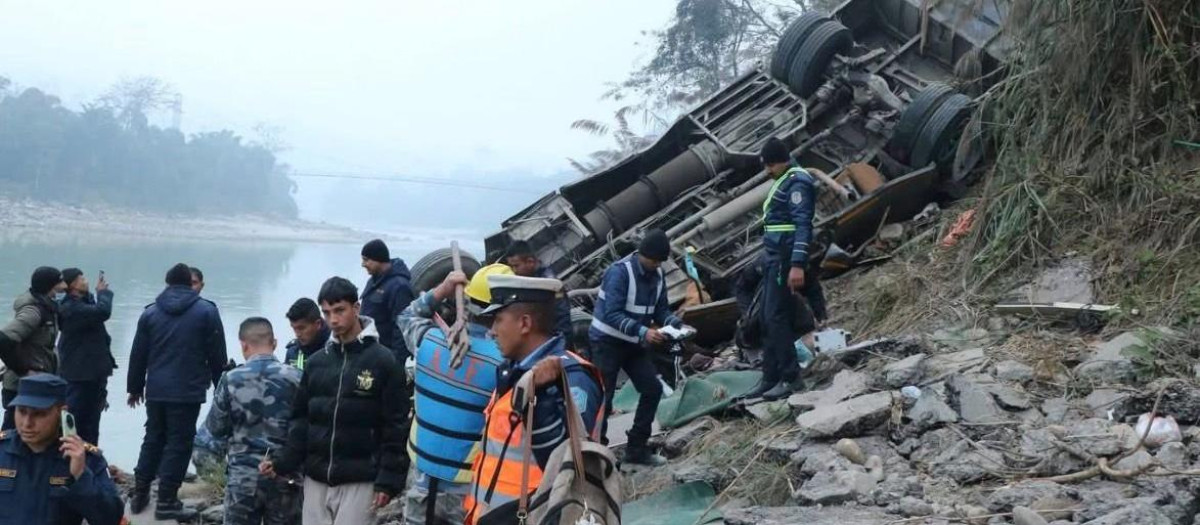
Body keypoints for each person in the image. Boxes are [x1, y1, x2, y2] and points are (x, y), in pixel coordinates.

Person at [261, 276, 409, 525]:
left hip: (360, 480)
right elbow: (301, 420)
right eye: (327, 312)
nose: (333, 320)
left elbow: (395, 425)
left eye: (340, 310)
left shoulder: (384, 362)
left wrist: (388, 480)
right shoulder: (317, 363)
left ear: (356, 308)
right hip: (315, 478)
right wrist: (282, 461)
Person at [463, 274, 603, 524]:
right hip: (495, 515)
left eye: (498, 320)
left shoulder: (571, 378)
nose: (492, 332)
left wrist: (544, 401)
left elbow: (569, 464)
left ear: (525, 323)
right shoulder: (514, 371)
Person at [397, 264, 511, 525]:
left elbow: (406, 316)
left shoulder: (429, 341)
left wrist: (442, 289)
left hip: (421, 481)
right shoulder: (505, 365)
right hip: (466, 490)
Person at [127, 263, 228, 520]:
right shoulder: (206, 311)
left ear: (168, 283)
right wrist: (222, 388)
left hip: (156, 390)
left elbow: (138, 354)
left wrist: (134, 388)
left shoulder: (150, 313)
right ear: (189, 283)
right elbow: (217, 355)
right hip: (187, 390)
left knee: (153, 438)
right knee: (179, 444)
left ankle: (139, 494)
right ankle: (167, 501)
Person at [588, 229, 681, 466]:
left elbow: (660, 310)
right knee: (604, 400)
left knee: (652, 389)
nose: (656, 265)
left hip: (633, 344)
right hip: (606, 343)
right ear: (642, 254)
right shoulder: (619, 273)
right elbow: (612, 314)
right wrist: (643, 332)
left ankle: (636, 449)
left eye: (660, 262)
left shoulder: (657, 275)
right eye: (654, 261)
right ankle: (599, 458)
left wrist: (674, 323)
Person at [201, 317, 302, 525]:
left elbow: (214, 430)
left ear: (243, 345)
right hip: (285, 477)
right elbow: (305, 429)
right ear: (274, 343)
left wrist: (209, 468)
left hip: (243, 479)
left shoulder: (230, 379)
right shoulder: (297, 377)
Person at [745, 137, 817, 400]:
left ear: (779, 161)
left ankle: (791, 377)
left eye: (769, 165)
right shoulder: (785, 180)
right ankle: (770, 377)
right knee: (766, 319)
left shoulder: (797, 183)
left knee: (776, 318)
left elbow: (803, 225)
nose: (767, 171)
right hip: (774, 258)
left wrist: (797, 265)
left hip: (785, 260)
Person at [0, 373, 124, 525]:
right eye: (22, 411)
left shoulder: (83, 458)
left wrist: (81, 475)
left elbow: (110, 519)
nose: (27, 423)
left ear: (61, 413)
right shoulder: (2, 450)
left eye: (39, 414)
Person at [55, 268, 116, 446]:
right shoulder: (70, 308)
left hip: (91, 374)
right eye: (81, 278)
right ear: (72, 284)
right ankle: (72, 454)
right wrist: (103, 294)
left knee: (91, 420)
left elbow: (94, 310)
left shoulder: (81, 303)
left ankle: (89, 455)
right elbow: (102, 312)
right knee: (77, 419)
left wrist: (93, 295)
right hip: (79, 375)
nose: (86, 280)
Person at [0, 266, 66, 430]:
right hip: (21, 387)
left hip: (38, 383)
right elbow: (4, 339)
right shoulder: (34, 311)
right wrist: (24, 370)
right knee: (12, 433)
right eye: (60, 283)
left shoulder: (49, 307)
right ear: (50, 286)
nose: (64, 286)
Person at [360, 239, 416, 362]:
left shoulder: (400, 287)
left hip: (386, 355)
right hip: (369, 350)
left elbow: (402, 327)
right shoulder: (373, 281)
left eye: (366, 260)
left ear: (378, 259)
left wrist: (395, 361)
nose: (363, 264)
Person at [502, 241, 571, 339]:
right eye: (511, 267)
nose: (514, 271)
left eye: (516, 266)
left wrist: (560, 344)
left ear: (530, 262)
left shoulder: (550, 284)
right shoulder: (528, 280)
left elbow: (562, 317)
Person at [284, 298, 331, 369]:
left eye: (301, 328)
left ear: (318, 324)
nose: (297, 334)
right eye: (294, 328)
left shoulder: (335, 348)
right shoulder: (292, 352)